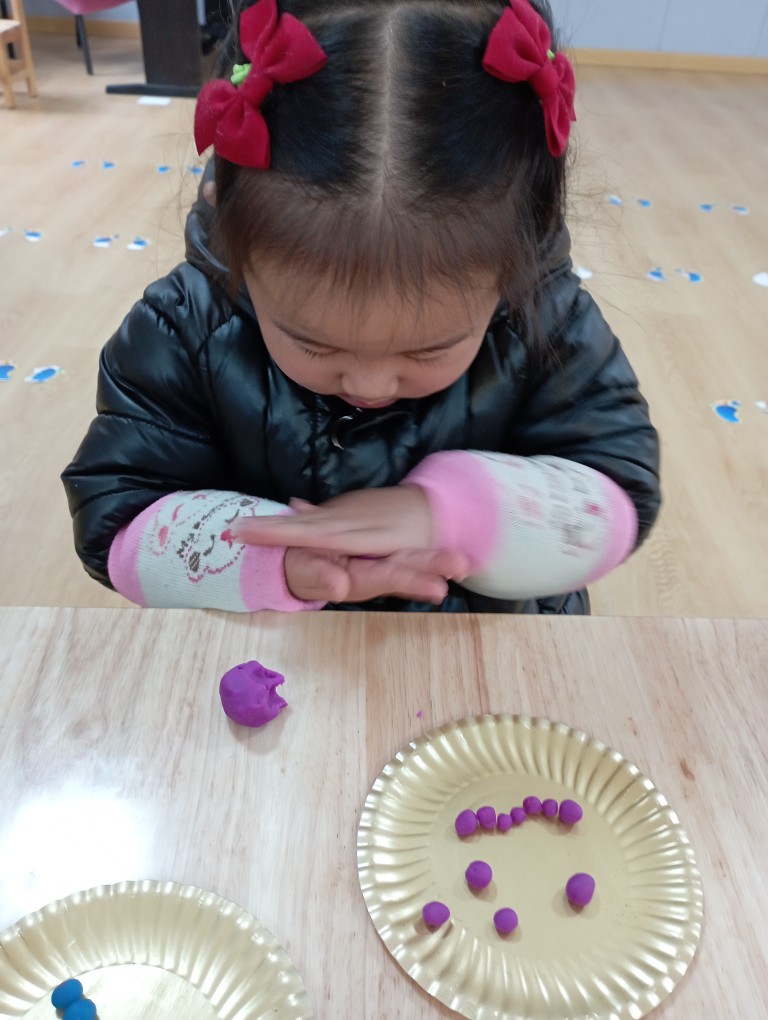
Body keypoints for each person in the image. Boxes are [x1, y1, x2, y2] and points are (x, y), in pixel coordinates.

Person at [62, 0, 660, 614]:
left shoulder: (545, 322)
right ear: (230, 221)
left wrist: (455, 513)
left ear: (520, 250)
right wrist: (274, 560)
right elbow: (118, 523)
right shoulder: (184, 328)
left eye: (429, 349)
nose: (370, 385)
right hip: (273, 650)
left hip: (492, 651)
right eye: (313, 343)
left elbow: (618, 496)